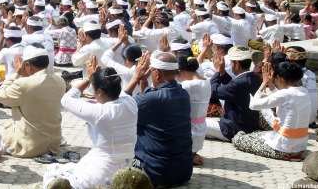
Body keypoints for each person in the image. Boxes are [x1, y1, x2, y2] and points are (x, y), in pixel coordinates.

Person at [43, 59, 137, 189]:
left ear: (100, 92)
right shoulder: (131, 103)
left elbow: (66, 99)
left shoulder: (99, 112)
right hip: (125, 172)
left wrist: (88, 78)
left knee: (52, 170)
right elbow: (120, 92)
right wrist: (97, 78)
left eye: (93, 89)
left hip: (99, 175)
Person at [125, 51, 193, 187]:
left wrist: (135, 78)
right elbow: (146, 101)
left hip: (156, 173)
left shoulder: (151, 99)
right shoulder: (183, 94)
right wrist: (144, 80)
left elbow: (119, 108)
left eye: (151, 72)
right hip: (183, 171)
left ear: (157, 74)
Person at [0, 44, 66, 158]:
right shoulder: (60, 81)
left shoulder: (23, 85)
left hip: (29, 147)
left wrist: (16, 74)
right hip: (53, 146)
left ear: (27, 65)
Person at [232, 61, 310, 160]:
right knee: (256, 134)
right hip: (300, 147)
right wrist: (270, 84)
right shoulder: (304, 92)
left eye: (274, 80)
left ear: (279, 78)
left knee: (238, 139)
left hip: (282, 148)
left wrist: (264, 83)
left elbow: (253, 105)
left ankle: (285, 156)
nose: (274, 82)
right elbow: (280, 98)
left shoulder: (285, 94)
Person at [207, 46, 262, 141]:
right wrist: (223, 72)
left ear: (237, 64)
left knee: (196, 123)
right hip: (249, 127)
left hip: (233, 130)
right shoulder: (254, 78)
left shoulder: (239, 83)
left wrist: (217, 72)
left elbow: (214, 91)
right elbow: (232, 87)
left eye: (231, 63)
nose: (231, 66)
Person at [176, 55, 211, 165]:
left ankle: (188, 157)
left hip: (189, 133)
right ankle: (192, 155)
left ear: (182, 72)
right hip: (200, 132)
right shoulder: (207, 82)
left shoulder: (187, 85)